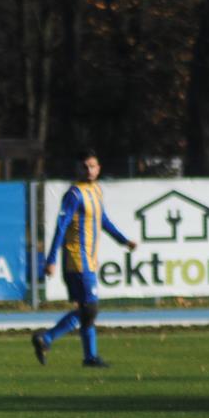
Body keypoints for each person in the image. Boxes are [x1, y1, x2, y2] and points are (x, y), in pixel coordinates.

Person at [31, 150, 136, 369]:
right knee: (90, 309)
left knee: (87, 310)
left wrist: (123, 241)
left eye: (93, 166)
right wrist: (50, 260)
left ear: (99, 169)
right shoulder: (74, 194)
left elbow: (103, 220)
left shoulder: (96, 190)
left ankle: (89, 357)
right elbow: (61, 227)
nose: (89, 170)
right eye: (85, 166)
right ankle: (47, 338)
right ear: (78, 168)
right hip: (76, 260)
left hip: (89, 260)